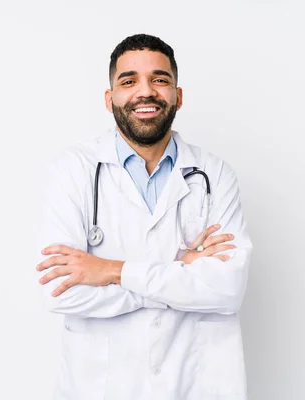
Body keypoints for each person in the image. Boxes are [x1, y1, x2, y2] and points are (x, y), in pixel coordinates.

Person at [35, 33, 253, 400]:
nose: (145, 92)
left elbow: (227, 290)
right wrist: (180, 272)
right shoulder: (74, 171)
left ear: (178, 96)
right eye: (129, 80)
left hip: (195, 385)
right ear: (110, 99)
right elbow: (60, 293)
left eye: (160, 79)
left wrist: (112, 270)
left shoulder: (215, 176)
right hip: (101, 387)